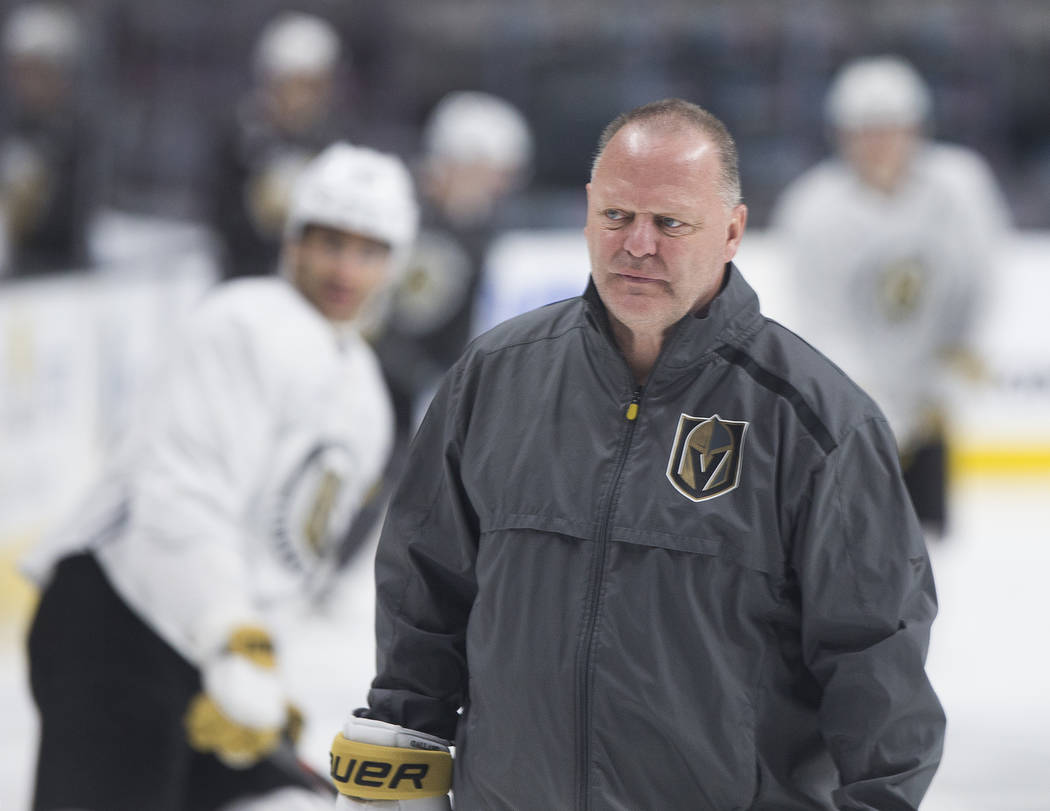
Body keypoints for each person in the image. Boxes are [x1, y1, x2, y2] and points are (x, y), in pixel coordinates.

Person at [328, 99, 945, 809]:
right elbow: (423, 601)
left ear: (733, 230)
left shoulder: (815, 422)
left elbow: (878, 669)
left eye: (671, 222)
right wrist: (401, 765)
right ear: (588, 212)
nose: (637, 244)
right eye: (617, 216)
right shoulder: (494, 379)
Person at [20, 142, 418, 811]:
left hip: (203, 648)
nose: (346, 267)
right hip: (118, 620)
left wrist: (256, 659)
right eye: (330, 242)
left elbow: (286, 552)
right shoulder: (244, 322)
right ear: (295, 241)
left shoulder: (365, 392)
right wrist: (230, 633)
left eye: (369, 250)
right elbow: (182, 495)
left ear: (395, 263)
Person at [770, 55, 1012, 539]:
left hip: (930, 398)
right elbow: (822, 319)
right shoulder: (813, 208)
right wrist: (869, 407)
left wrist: (957, 365)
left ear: (917, 129)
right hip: (856, 408)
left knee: (929, 546)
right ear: (841, 134)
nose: (880, 144)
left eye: (892, 128)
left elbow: (984, 281)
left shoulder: (961, 186)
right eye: (866, 131)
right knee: (855, 541)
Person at [374, 90, 533, 439]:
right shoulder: (404, 221)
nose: (499, 189)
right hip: (382, 404)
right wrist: (423, 380)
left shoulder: (467, 232)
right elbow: (386, 331)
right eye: (493, 174)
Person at [208, 12, 352, 281]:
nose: (299, 98)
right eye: (289, 84)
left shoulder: (339, 151)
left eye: (311, 86)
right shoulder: (240, 144)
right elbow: (227, 226)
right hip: (249, 283)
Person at [0, 1, 97, 276]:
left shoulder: (75, 139)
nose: (25, 82)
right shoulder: (16, 128)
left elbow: (62, 224)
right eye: (20, 71)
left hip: (58, 280)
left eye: (37, 71)